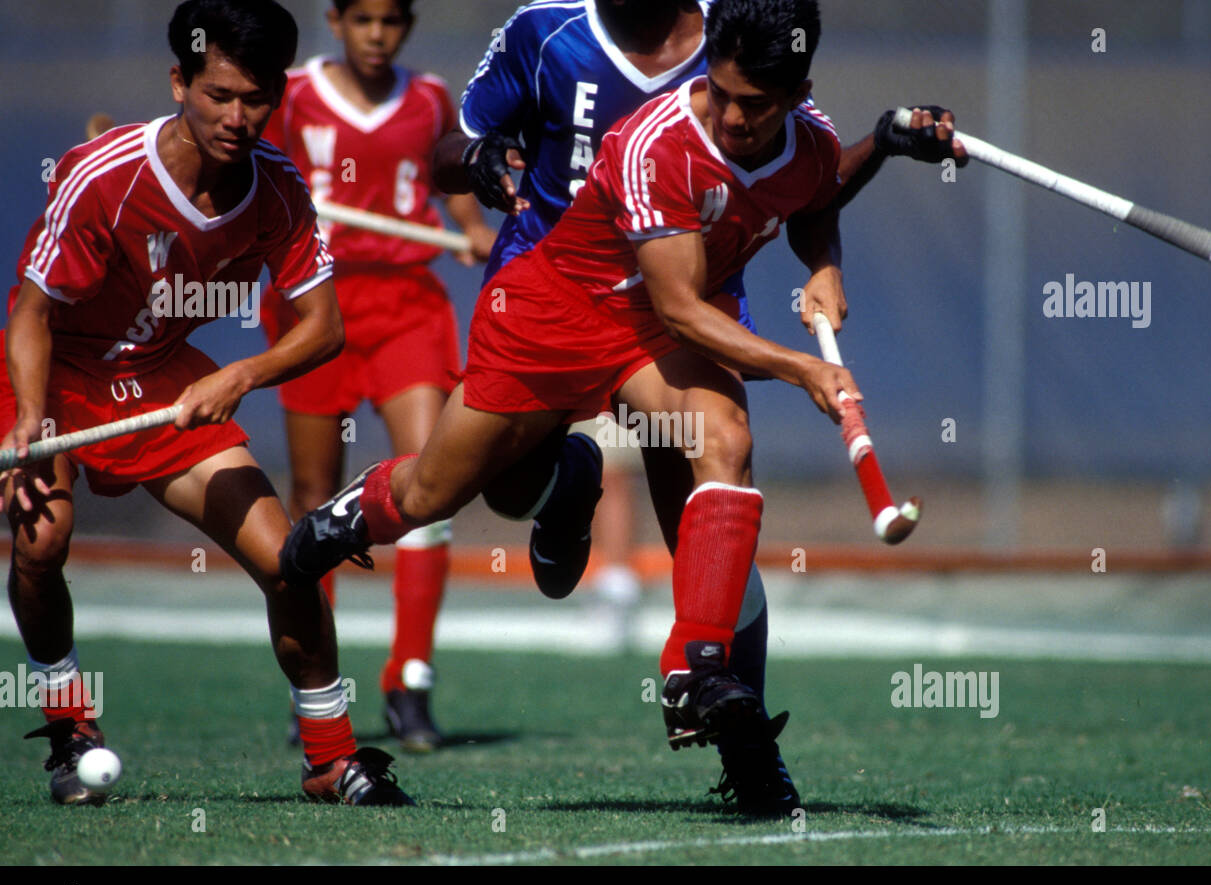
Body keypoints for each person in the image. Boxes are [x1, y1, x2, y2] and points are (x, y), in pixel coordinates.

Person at [282, 0, 921, 814]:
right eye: (719, 95)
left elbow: (810, 195)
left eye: (753, 105)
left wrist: (824, 264)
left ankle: (715, 694)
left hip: (655, 337)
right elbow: (683, 303)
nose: (730, 117)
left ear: (797, 93)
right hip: (558, 310)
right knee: (433, 496)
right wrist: (804, 370)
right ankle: (354, 516)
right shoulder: (657, 136)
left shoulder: (808, 132)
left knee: (722, 444)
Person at [2, 0, 413, 807]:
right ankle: (70, 729)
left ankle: (329, 759)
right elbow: (31, 314)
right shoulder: (103, 177)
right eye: (217, 95)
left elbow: (323, 329)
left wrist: (241, 374)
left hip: (164, 378)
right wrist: (28, 424)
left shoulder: (280, 191)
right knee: (42, 544)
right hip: (52, 376)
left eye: (256, 98)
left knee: (285, 557)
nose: (237, 117)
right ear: (178, 82)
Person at [261, 0, 494, 752]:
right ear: (335, 20)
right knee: (310, 499)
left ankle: (411, 681)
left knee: (434, 484)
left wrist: (470, 227)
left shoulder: (427, 98)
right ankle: (315, 692)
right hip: (315, 306)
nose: (377, 34)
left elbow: (452, 179)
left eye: (391, 20)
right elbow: (238, 165)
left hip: (405, 306)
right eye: (362, 18)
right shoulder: (289, 93)